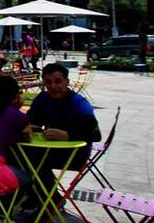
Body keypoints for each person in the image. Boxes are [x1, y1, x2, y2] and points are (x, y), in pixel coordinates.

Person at [25, 63, 101, 210]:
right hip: (48, 149)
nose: (53, 86)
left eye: (58, 81)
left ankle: (49, 199)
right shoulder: (43, 98)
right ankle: (37, 196)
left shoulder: (78, 103)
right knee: (15, 154)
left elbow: (95, 134)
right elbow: (30, 120)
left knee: (31, 161)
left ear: (67, 82)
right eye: (48, 82)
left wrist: (68, 135)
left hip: (75, 154)